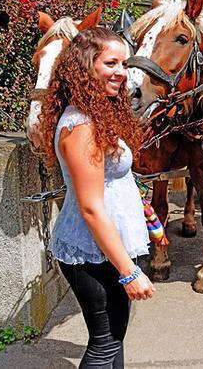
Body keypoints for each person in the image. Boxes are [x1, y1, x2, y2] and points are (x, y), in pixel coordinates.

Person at [40, 27, 155, 368]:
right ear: (84, 66)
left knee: (113, 337)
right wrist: (129, 272)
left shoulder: (94, 116)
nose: (121, 71)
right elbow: (90, 207)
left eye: (123, 63)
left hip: (104, 248)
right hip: (92, 251)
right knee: (104, 343)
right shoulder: (81, 126)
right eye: (110, 62)